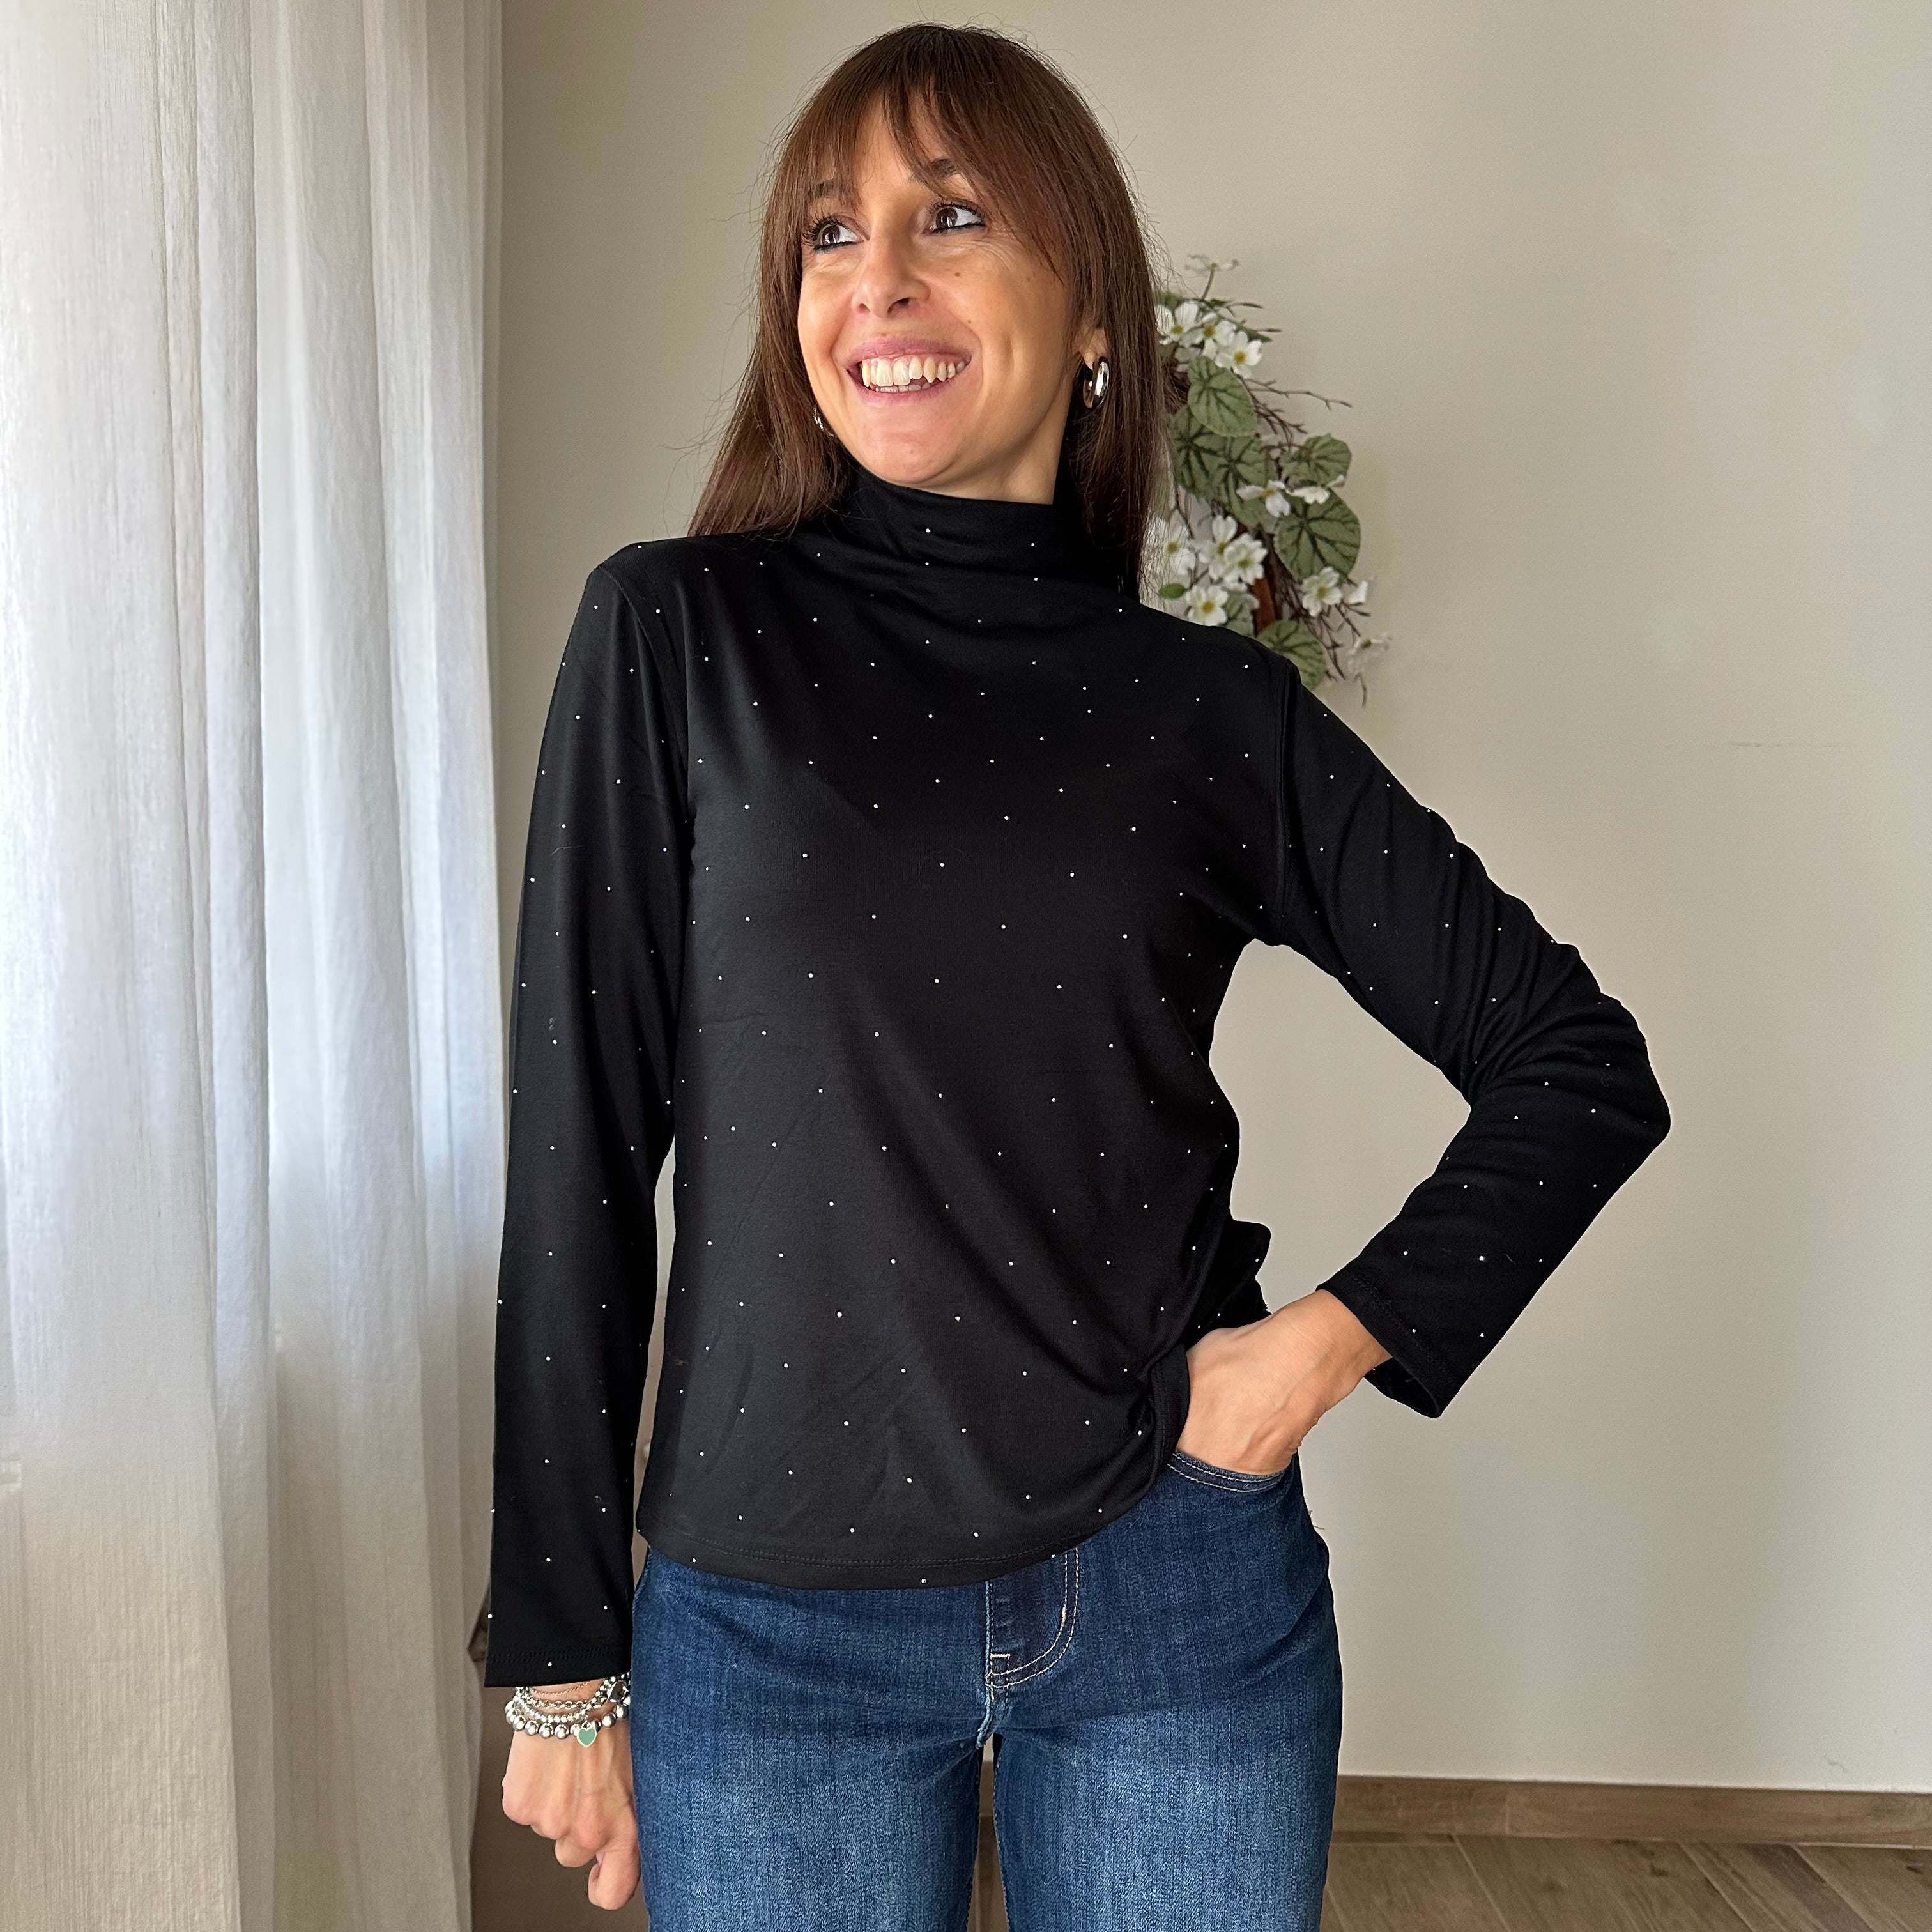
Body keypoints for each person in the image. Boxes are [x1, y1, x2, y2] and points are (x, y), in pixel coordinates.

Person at [483, 22, 1671, 1928]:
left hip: (1170, 1595)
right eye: (828, 233)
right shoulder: (677, 635)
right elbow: (578, 1164)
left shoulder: (1210, 711)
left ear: (1094, 307)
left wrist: (1309, 1355)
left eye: (951, 217)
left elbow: (1576, 1064)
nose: (878, 277)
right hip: (772, 1624)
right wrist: (562, 1657)